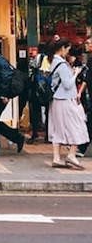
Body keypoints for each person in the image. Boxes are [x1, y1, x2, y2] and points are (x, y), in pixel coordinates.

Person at [47, 37, 89, 170]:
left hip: (56, 100)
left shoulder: (53, 61)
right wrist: (75, 73)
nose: (68, 52)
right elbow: (67, 84)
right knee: (77, 126)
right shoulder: (61, 64)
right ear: (62, 48)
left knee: (58, 128)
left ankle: (56, 158)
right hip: (66, 100)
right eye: (67, 49)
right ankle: (71, 155)